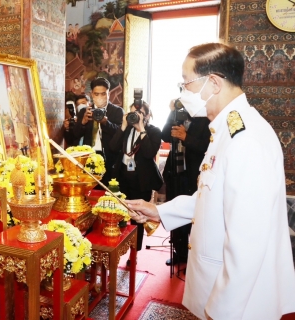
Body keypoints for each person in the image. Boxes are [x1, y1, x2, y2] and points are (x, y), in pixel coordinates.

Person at [125, 43, 295, 319]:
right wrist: (158, 210)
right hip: (217, 287)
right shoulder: (226, 131)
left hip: (237, 305)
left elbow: (247, 245)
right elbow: (211, 197)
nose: (183, 93)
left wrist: (221, 312)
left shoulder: (246, 140)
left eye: (186, 84)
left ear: (213, 82)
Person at [161, 99, 211, 265]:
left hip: (193, 174)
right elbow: (164, 135)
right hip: (175, 171)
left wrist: (186, 137)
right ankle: (179, 253)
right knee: (174, 211)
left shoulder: (206, 117)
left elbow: (207, 147)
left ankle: (194, 255)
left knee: (193, 215)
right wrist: (171, 113)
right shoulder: (179, 115)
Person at [111, 101, 163, 253]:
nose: (135, 116)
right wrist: (122, 126)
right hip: (122, 178)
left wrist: (141, 129)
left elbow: (148, 153)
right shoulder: (125, 129)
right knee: (120, 214)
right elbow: (113, 147)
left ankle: (134, 252)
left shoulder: (154, 131)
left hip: (141, 181)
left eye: (138, 113)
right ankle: (118, 247)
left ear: (146, 115)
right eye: (132, 113)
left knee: (138, 218)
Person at [72, 78, 123, 186]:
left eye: (103, 94)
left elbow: (120, 134)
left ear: (109, 93)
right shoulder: (84, 111)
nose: (100, 97)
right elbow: (75, 134)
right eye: (96, 94)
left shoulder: (117, 111)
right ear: (91, 94)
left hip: (109, 157)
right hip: (89, 157)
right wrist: (83, 122)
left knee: (108, 192)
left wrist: (105, 122)